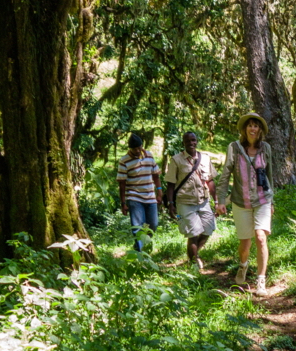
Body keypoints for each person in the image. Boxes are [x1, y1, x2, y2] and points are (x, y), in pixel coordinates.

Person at [215, 112, 274, 297]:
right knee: (245, 245)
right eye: (249, 125)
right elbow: (225, 174)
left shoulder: (266, 148)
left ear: (260, 130)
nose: (253, 128)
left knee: (261, 237)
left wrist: (273, 201)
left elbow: (270, 175)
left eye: (256, 125)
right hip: (241, 201)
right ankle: (243, 265)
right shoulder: (234, 147)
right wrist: (221, 200)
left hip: (263, 199)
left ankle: (261, 281)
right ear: (244, 129)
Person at [165, 131, 217, 270]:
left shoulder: (205, 158)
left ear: (197, 141)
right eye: (188, 141)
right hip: (185, 202)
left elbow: (210, 181)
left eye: (193, 140)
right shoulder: (176, 160)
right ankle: (194, 263)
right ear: (183, 143)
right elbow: (170, 184)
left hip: (203, 200)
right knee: (193, 233)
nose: (191, 143)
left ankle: (194, 254)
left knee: (208, 229)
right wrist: (171, 204)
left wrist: (217, 201)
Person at [117, 133, 163, 252]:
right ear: (130, 148)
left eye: (139, 147)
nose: (138, 150)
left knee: (153, 224)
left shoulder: (149, 155)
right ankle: (140, 253)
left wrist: (159, 192)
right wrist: (123, 203)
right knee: (138, 227)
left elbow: (156, 175)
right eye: (134, 148)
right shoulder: (124, 161)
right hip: (134, 197)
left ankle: (141, 245)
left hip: (150, 196)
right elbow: (122, 184)